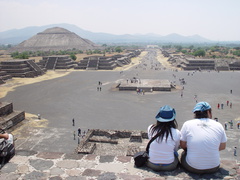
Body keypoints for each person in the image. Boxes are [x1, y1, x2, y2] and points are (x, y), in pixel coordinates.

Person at [179, 102, 227, 174]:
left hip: (193, 167)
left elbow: (182, 145)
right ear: (208, 112)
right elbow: (223, 147)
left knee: (180, 152)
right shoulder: (218, 125)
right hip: (214, 167)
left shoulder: (187, 124)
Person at [146, 105, 180, 171]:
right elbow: (175, 148)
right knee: (179, 153)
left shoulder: (151, 128)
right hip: (169, 165)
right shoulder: (176, 132)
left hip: (152, 164)